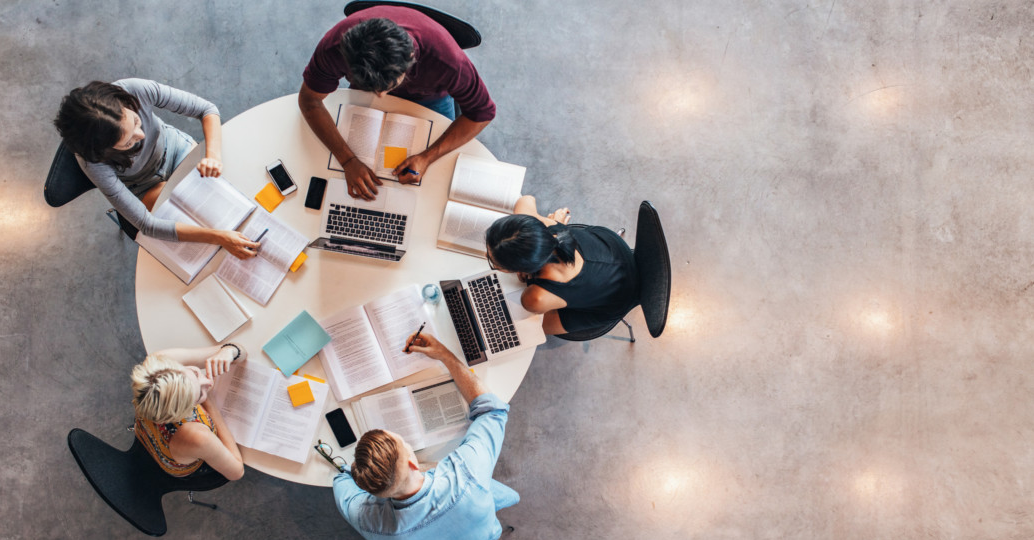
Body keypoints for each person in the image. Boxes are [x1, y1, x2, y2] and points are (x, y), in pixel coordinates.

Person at [332, 333, 519, 540]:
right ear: (412, 461)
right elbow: (492, 411)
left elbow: (340, 482)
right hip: (482, 537)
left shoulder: (365, 518)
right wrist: (445, 355)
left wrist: (354, 471)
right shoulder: (466, 473)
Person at [298, 6, 495, 200]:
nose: (381, 97)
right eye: (374, 89)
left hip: (431, 97)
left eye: (387, 86)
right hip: (365, 94)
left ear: (411, 58)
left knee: (434, 181)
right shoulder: (334, 46)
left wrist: (427, 157)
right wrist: (348, 160)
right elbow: (310, 101)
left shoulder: (448, 62)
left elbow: (482, 113)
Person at [53, 78, 259, 259]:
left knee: (229, 193)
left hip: (177, 151)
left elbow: (207, 110)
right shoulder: (92, 162)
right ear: (103, 151)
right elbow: (147, 224)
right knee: (196, 226)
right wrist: (218, 238)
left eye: (136, 121)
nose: (141, 136)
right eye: (128, 142)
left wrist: (213, 156)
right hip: (142, 186)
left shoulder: (134, 89)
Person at [485, 196, 640, 336]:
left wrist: (530, 278)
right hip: (614, 250)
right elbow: (526, 200)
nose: (486, 256)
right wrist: (550, 223)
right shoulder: (548, 227)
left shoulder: (534, 298)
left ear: (518, 269)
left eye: (493, 263)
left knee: (530, 328)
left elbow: (535, 304)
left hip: (616, 301)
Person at [130, 343, 246, 481]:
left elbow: (240, 351)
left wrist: (229, 351)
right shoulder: (198, 436)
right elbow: (237, 472)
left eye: (196, 373)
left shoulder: (159, 362)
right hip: (182, 463)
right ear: (184, 413)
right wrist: (210, 403)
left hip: (147, 430)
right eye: (199, 395)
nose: (208, 382)